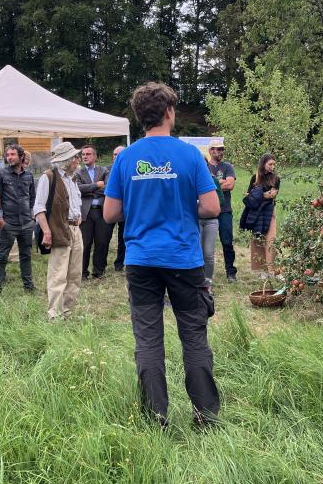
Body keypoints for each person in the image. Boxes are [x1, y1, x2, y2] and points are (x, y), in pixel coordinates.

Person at [104, 82, 221, 427]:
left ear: (140, 117)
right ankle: (206, 417)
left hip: (140, 261)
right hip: (184, 260)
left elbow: (110, 214)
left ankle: (155, 418)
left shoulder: (125, 158)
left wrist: (141, 207)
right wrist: (183, 207)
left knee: (148, 340)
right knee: (194, 337)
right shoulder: (188, 155)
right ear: (169, 113)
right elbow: (212, 207)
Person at [33, 142, 83, 320]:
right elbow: (39, 208)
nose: (78, 160)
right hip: (59, 229)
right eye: (75, 157)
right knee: (58, 274)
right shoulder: (49, 178)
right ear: (67, 160)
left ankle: (67, 311)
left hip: (76, 228)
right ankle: (54, 314)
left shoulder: (73, 178)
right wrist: (47, 232)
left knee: (75, 273)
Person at [0, 144, 36, 292]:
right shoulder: (1, 174)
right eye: (8, 154)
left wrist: (32, 216)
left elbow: (32, 198)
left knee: (26, 255)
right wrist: (0, 218)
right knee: (2, 256)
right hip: (8, 222)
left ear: (21, 156)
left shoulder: (29, 175)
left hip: (26, 223)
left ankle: (29, 287)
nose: (9, 157)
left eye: (13, 154)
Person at [75, 145, 111, 280]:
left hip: (102, 211)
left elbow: (108, 188)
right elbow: (78, 189)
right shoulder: (78, 173)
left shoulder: (104, 170)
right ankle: (83, 272)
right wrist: (96, 185)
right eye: (83, 154)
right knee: (85, 243)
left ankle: (99, 271)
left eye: (88, 154)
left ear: (95, 156)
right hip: (86, 212)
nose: (85, 156)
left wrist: (88, 190)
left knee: (102, 242)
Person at [241, 153, 280, 278]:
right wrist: (262, 194)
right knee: (258, 239)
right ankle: (262, 270)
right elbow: (248, 194)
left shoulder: (276, 178)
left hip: (269, 211)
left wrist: (258, 195)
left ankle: (271, 269)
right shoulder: (255, 177)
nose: (272, 166)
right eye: (270, 164)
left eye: (274, 164)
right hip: (257, 212)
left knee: (271, 240)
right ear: (263, 164)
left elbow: (272, 194)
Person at [207, 138, 238, 282]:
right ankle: (205, 275)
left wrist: (212, 184)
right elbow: (200, 185)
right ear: (210, 151)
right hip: (207, 210)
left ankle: (231, 272)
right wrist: (220, 182)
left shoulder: (228, 167)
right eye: (217, 149)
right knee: (206, 244)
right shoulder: (204, 167)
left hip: (225, 210)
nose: (221, 152)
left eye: (222, 149)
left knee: (227, 241)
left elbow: (230, 185)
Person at [200, 151, 223, 284]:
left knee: (208, 253)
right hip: (195, 220)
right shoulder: (190, 180)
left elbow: (220, 201)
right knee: (197, 252)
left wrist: (202, 204)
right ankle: (197, 281)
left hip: (211, 221)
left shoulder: (213, 180)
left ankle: (207, 282)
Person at [111, 145, 126, 272]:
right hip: (108, 209)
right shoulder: (106, 170)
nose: (116, 156)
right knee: (103, 239)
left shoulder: (129, 169)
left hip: (125, 210)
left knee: (123, 237)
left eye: (119, 154)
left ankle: (120, 263)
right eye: (115, 154)